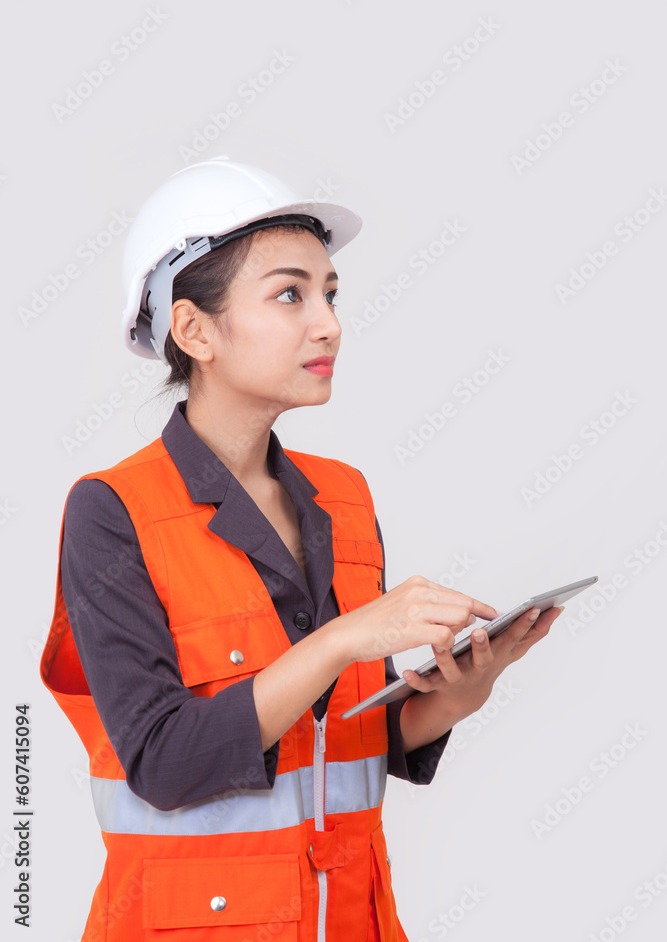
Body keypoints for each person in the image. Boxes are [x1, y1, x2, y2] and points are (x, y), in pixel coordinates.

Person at [40, 156, 563, 942]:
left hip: (351, 920)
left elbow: (336, 732)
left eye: (329, 293)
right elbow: (165, 764)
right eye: (289, 294)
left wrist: (454, 697)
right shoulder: (113, 512)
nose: (328, 323)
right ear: (194, 329)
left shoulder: (342, 498)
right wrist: (345, 637)